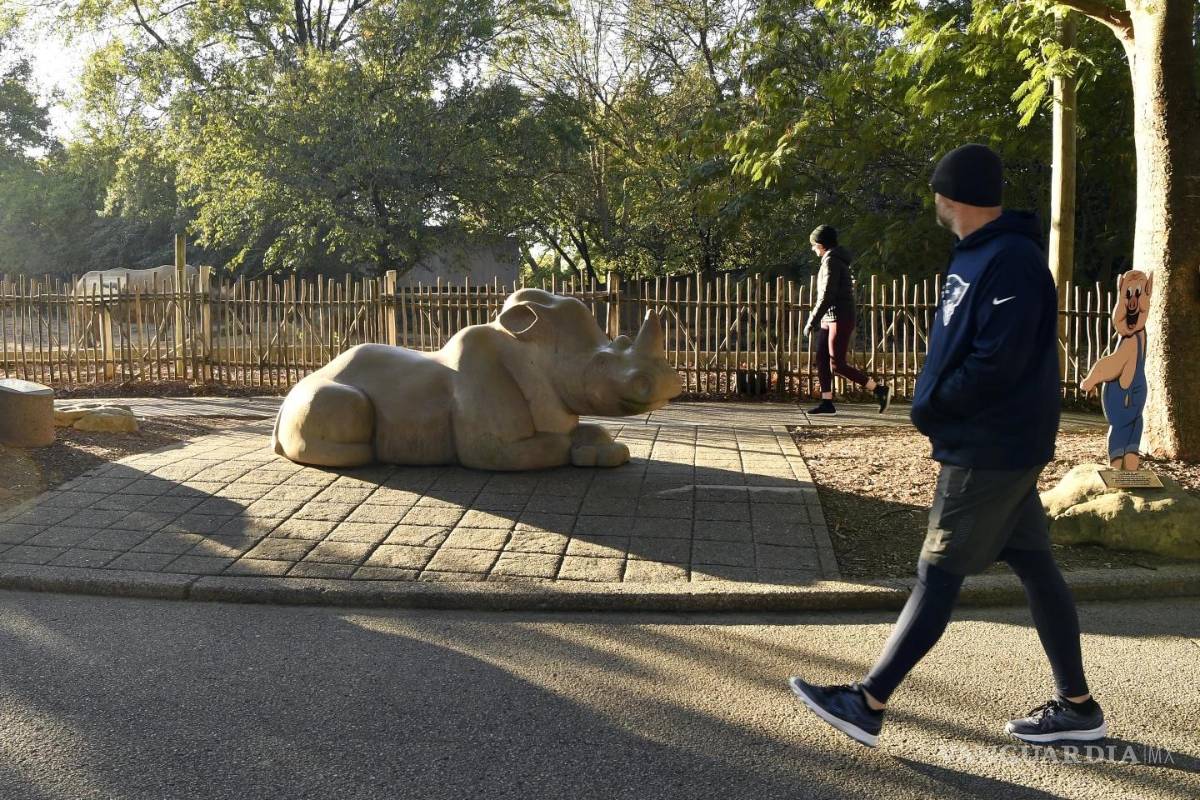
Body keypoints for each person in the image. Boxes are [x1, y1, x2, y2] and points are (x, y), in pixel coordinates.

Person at [788, 144, 1104, 748]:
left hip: (989, 445)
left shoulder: (1010, 260)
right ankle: (1078, 707)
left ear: (952, 196)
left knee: (937, 571)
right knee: (1037, 567)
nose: (933, 199)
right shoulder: (976, 255)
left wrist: (934, 405)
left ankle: (868, 701)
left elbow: (997, 362)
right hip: (992, 441)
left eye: (937, 190)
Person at [803, 225, 891, 415]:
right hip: (830, 317)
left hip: (840, 317)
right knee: (821, 358)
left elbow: (827, 295)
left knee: (837, 364)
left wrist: (811, 320)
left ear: (821, 244)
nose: (812, 249)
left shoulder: (831, 261)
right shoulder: (831, 259)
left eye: (813, 245)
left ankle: (879, 390)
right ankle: (827, 402)